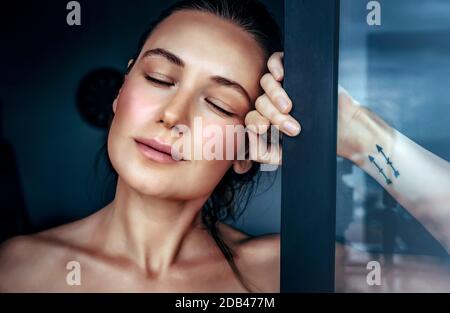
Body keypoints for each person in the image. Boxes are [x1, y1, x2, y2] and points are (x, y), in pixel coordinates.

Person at [0, 0, 449, 292]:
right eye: (159, 79)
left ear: (244, 147)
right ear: (121, 91)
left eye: (218, 103)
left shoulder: (288, 272)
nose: (172, 115)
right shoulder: (15, 269)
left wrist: (354, 131)